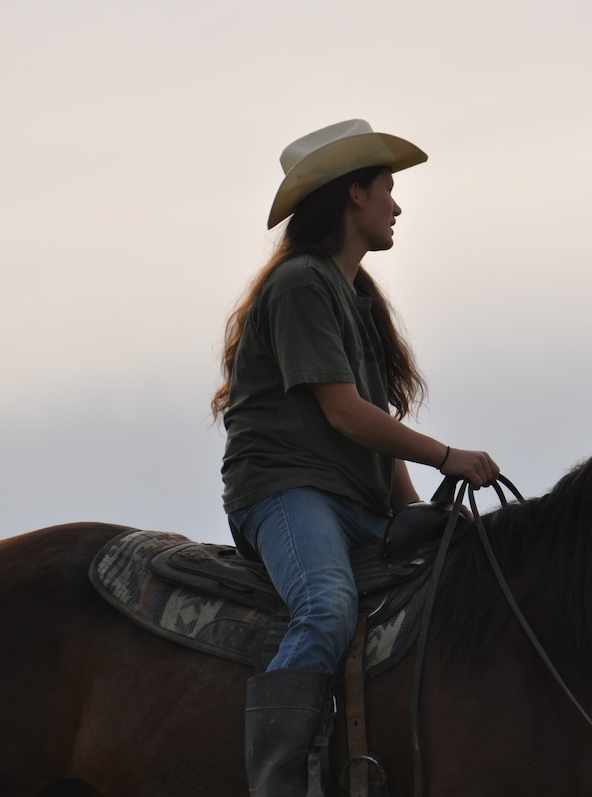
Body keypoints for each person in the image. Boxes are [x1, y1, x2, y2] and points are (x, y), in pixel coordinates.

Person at [211, 119, 499, 797]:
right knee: (326, 606)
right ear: (352, 196)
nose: (396, 205)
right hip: (285, 491)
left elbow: (373, 423)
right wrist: (447, 456)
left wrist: (418, 517)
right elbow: (344, 412)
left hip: (355, 503)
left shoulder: (356, 298)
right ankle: (281, 784)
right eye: (387, 189)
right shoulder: (301, 285)